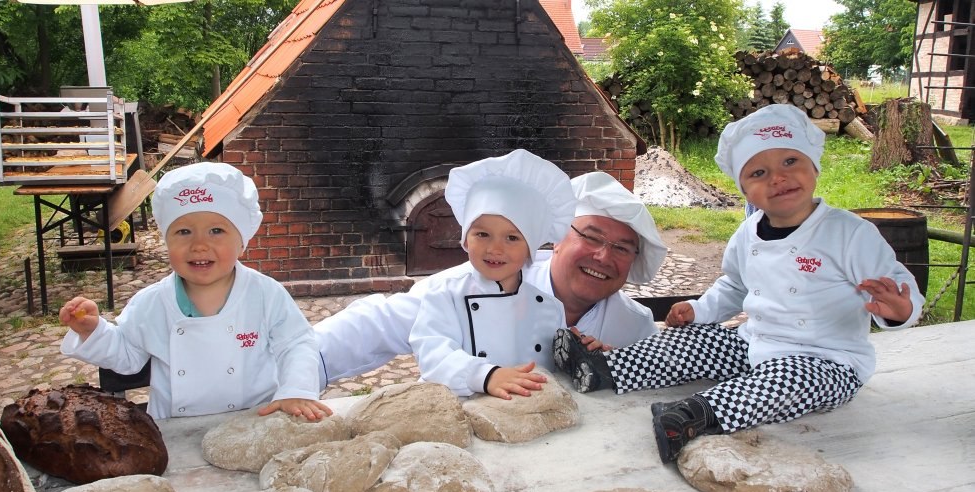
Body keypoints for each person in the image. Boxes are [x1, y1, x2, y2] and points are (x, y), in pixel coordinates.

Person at [553, 103, 923, 463]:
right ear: (744, 190)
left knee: (785, 381)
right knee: (686, 343)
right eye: (757, 173)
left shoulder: (849, 233)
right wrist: (698, 310)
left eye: (790, 161)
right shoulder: (749, 232)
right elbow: (734, 285)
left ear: (814, 166)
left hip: (827, 362)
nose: (777, 177)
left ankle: (696, 416)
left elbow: (896, 285)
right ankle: (603, 369)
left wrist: (900, 309)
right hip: (753, 344)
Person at [314, 169, 669, 388]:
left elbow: (657, 385)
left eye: (622, 248)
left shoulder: (634, 327)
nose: (603, 257)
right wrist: (297, 363)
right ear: (558, 238)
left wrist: (616, 369)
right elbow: (378, 324)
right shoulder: (474, 283)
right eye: (590, 237)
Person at [60, 162, 331, 421]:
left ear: (243, 243)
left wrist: (296, 391)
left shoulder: (265, 294)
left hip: (255, 422)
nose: (199, 245)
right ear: (166, 241)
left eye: (216, 230)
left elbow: (296, 344)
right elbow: (127, 355)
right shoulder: (152, 303)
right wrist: (92, 331)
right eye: (184, 231)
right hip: (175, 433)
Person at [408, 149, 575, 398]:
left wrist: (578, 351)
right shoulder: (444, 294)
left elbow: (555, 371)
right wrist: (485, 376)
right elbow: (433, 355)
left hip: (527, 416)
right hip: (456, 412)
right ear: (465, 240)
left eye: (512, 238)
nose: (495, 249)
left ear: (531, 248)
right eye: (482, 234)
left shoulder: (550, 307)